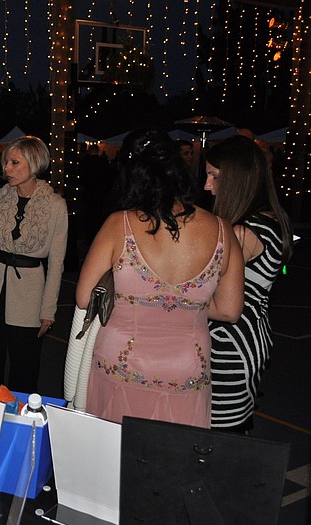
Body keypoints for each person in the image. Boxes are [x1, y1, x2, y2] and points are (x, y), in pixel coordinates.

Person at [77, 128, 244, 429]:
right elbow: (230, 310)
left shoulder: (119, 224)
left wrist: (138, 298)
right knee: (174, 454)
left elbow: (84, 297)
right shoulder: (222, 230)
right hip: (187, 367)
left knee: (115, 450)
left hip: (123, 361)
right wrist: (181, 303)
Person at [204, 135, 293, 433]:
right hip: (249, 336)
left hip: (227, 344)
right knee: (231, 429)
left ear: (236, 180)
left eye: (214, 176)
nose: (207, 185)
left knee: (218, 434)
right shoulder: (270, 219)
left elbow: (207, 294)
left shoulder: (243, 232)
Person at [0, 136, 68, 392]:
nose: (7, 168)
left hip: (30, 294)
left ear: (34, 164)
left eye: (14, 163)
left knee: (24, 368)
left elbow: (57, 262)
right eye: (6, 162)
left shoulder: (55, 206)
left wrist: (49, 309)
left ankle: (21, 415)